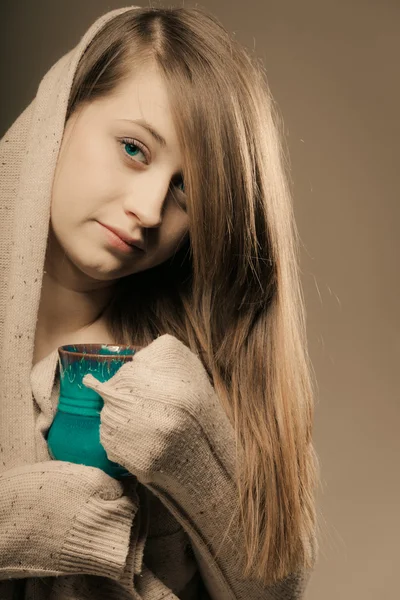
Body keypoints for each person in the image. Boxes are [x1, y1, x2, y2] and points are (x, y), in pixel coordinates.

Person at [0, 5, 320, 599]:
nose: (148, 211)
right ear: (62, 114)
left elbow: (277, 590)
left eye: (185, 193)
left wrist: (194, 449)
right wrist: (22, 522)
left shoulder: (183, 369)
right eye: (134, 149)